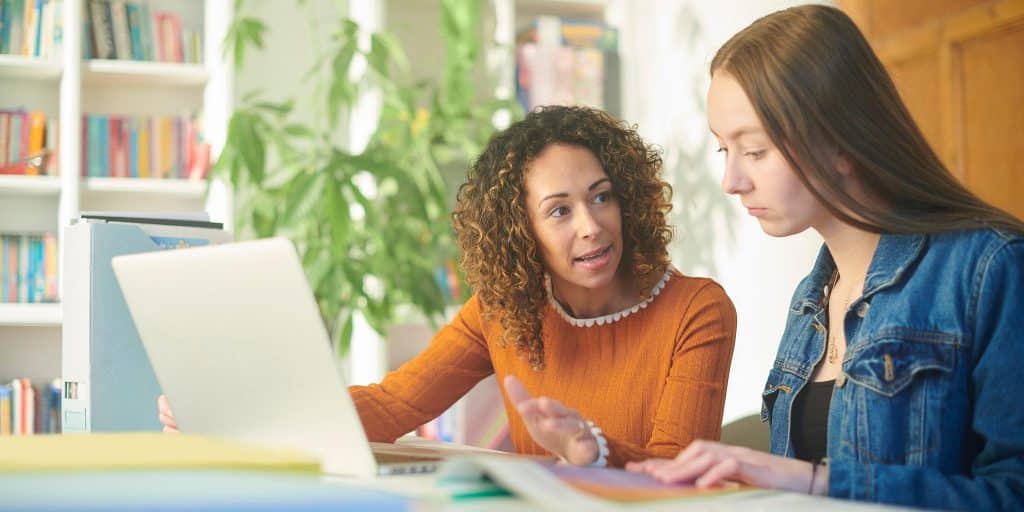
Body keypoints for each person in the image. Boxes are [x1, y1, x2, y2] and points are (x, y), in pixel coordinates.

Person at [159, 105, 738, 468]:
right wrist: (241, 413)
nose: (591, 225)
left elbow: (677, 473)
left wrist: (594, 451)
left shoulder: (695, 310)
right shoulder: (503, 311)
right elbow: (393, 405)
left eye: (601, 196)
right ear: (521, 230)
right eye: (559, 211)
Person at [626, 4, 1024, 509]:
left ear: (840, 139)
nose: (732, 181)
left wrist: (815, 482)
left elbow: (1013, 494)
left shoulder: (990, 268)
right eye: (724, 150)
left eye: (755, 150)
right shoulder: (811, 301)